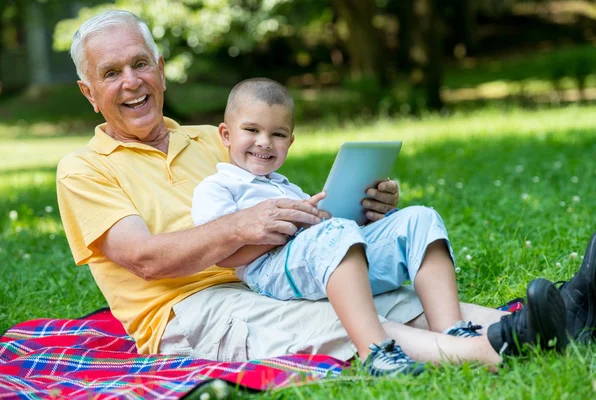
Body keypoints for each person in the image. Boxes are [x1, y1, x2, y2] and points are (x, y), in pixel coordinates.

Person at [56, 9, 596, 376]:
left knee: (385, 295)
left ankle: (565, 313)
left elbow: (265, 204)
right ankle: (496, 350)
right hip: (190, 308)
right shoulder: (82, 170)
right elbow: (145, 260)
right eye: (111, 72)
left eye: (140, 63)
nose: (131, 81)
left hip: (271, 271)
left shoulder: (211, 137)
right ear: (88, 93)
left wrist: (348, 210)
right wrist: (240, 229)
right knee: (342, 319)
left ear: (161, 70)